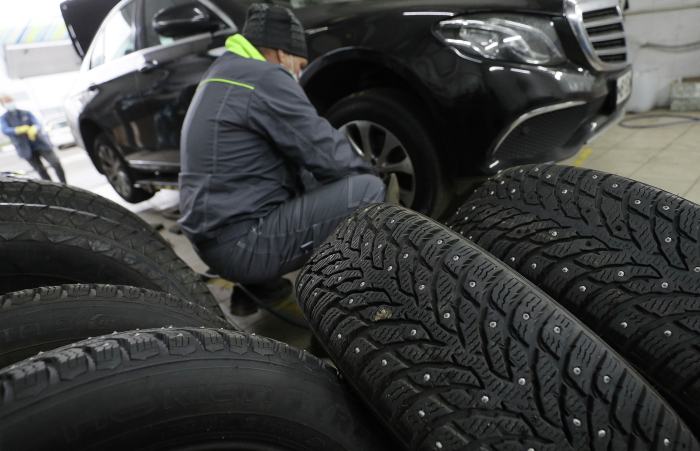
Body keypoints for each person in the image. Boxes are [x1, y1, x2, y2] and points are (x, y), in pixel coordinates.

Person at [179, 3, 396, 315]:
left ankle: (260, 286)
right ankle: (339, 314)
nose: (299, 73)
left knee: (310, 178)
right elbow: (327, 152)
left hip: (212, 240)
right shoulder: (264, 76)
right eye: (300, 64)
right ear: (283, 54)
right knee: (365, 191)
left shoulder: (223, 72)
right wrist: (377, 197)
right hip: (240, 245)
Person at [0, 93, 67, 184]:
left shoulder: (26, 112)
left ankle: (64, 184)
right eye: (6, 101)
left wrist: (34, 128)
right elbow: (5, 130)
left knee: (56, 163)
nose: (9, 103)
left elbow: (37, 124)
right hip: (25, 148)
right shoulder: (4, 118)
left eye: (10, 100)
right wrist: (17, 130)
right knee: (41, 170)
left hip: (40, 143)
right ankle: (52, 188)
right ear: (3, 103)